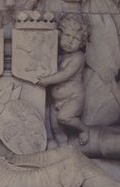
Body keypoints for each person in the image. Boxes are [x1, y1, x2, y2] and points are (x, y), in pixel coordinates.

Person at [37, 12, 88, 143]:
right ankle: (64, 152)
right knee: (56, 129)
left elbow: (65, 74)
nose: (70, 41)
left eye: (75, 39)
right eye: (67, 36)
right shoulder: (57, 56)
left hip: (73, 98)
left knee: (64, 117)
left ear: (82, 43)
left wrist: (46, 80)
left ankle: (83, 129)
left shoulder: (78, 57)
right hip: (55, 102)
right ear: (59, 35)